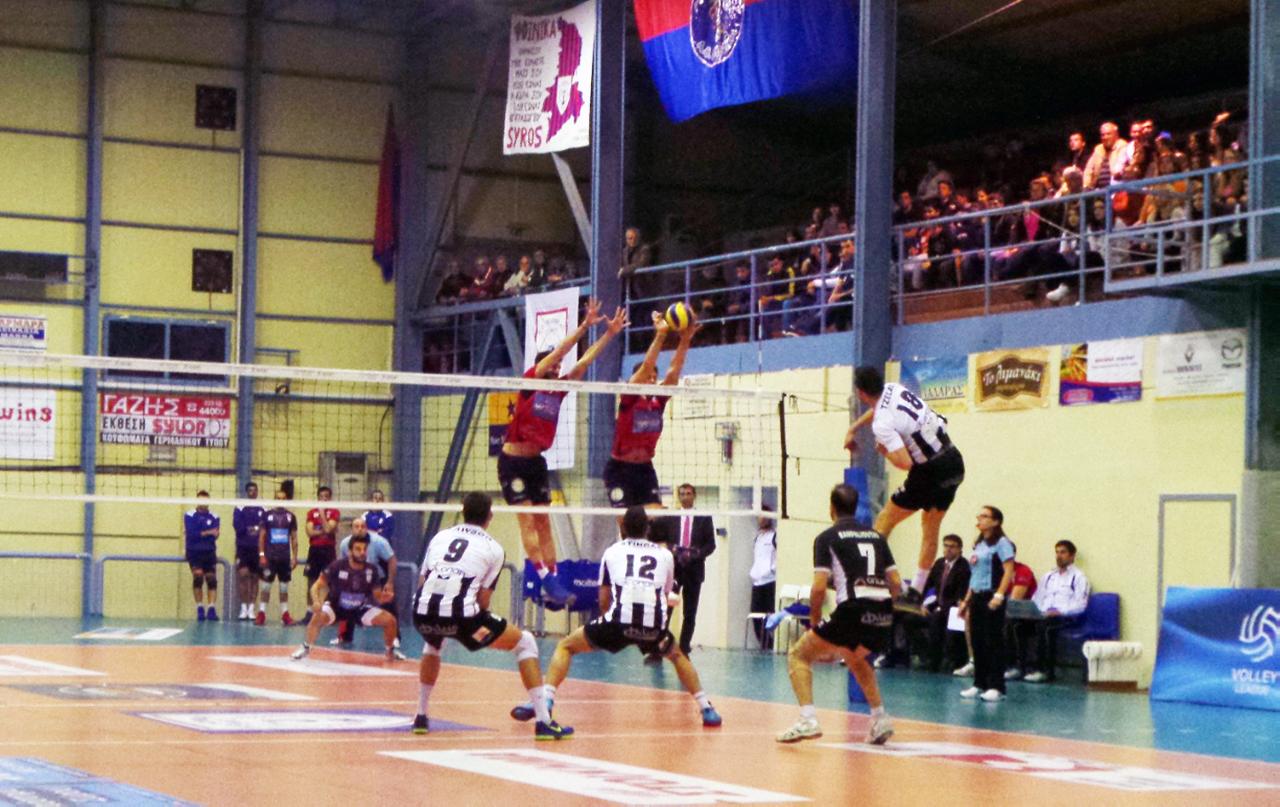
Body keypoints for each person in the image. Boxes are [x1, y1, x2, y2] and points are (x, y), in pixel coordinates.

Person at [512, 506, 723, 729]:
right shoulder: (665, 555)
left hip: (618, 622)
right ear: (648, 528)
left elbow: (604, 599)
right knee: (678, 655)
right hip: (653, 626)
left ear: (623, 527)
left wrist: (609, 632)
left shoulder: (612, 552)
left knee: (566, 646)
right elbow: (666, 593)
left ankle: (545, 700)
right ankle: (706, 708)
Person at [499, 298, 627, 607]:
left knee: (544, 521)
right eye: (553, 365)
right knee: (527, 520)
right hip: (513, 461)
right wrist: (583, 327)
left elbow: (584, 363)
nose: (557, 368)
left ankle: (554, 579)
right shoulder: (530, 383)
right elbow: (559, 352)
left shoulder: (558, 389)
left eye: (558, 367)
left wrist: (609, 335)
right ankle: (545, 577)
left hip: (536, 462)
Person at [413, 492, 571, 739]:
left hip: (422, 615)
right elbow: (483, 601)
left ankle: (420, 716)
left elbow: (423, 581)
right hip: (463, 620)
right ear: (490, 516)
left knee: (433, 643)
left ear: (463, 511)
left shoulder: (440, 537)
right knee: (526, 642)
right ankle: (544, 722)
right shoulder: (493, 548)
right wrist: (472, 628)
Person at [777, 484, 899, 745]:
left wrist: (814, 624)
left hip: (852, 610)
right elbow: (896, 583)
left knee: (799, 654)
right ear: (856, 507)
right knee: (854, 656)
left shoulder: (827, 537)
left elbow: (819, 587)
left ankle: (808, 719)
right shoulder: (877, 537)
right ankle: (880, 718)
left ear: (831, 507)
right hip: (883, 612)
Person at [845, 366, 965, 600]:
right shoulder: (894, 388)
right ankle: (916, 592)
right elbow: (879, 410)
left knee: (885, 520)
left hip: (928, 470)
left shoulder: (882, 424)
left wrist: (884, 452)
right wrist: (854, 428)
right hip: (953, 460)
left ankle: (869, 577)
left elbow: (906, 463)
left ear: (860, 393)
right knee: (930, 528)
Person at [603, 311, 698, 511]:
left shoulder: (658, 401)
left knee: (656, 518)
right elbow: (647, 366)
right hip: (620, 470)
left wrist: (685, 340)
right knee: (627, 522)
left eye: (655, 377)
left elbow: (673, 373)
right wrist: (661, 335)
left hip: (645, 469)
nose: (652, 379)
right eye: (648, 377)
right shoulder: (629, 398)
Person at [292, 530, 398, 661]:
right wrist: (316, 602)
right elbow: (316, 586)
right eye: (358, 549)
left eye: (364, 549)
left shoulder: (372, 570)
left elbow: (377, 596)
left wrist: (384, 598)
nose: (362, 552)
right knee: (317, 618)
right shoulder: (337, 566)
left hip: (359, 609)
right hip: (336, 607)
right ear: (350, 552)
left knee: (390, 620)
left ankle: (390, 651)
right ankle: (306, 647)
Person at [958, 505, 1015, 702]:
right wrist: (966, 601)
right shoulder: (979, 544)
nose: (979, 519)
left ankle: (997, 687)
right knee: (977, 641)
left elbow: (1009, 571)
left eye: (984, 516)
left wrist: (999, 595)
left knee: (993, 642)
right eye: (979, 515)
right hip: (977, 596)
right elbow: (975, 575)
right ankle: (979, 683)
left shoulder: (1002, 543)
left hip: (992, 597)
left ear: (996, 521)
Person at [335, 517, 406, 659]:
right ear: (352, 529)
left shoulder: (379, 542)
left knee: (389, 604)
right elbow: (342, 563)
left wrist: (389, 582)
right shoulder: (345, 544)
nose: (359, 529)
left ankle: (395, 638)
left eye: (362, 526)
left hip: (378, 577)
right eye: (356, 526)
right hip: (357, 579)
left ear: (366, 528)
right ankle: (345, 636)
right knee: (347, 604)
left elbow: (392, 560)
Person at [1023, 540, 1090, 683]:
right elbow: (1037, 598)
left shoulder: (1078, 577)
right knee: (1017, 625)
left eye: (1063, 552)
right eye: (1057, 552)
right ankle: (1017, 668)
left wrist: (1059, 611)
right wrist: (1034, 611)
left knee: (1045, 627)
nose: (1059, 556)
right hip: (1044, 615)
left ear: (1072, 556)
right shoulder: (1048, 576)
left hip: (1067, 617)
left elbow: (1081, 604)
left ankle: (1045, 671)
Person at [671, 483, 715, 657]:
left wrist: (696, 554)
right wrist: (673, 551)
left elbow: (711, 545)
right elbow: (665, 539)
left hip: (694, 570)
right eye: (682, 494)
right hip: (674, 569)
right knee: (667, 608)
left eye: (688, 493)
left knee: (690, 612)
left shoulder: (704, 518)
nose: (685, 497)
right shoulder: (672, 517)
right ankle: (659, 646)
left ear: (694, 495)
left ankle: (684, 647)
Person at [916, 533, 970, 673]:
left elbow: (960, 594)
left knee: (936, 619)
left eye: (952, 547)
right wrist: (921, 603)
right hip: (937, 604)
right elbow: (927, 584)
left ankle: (935, 661)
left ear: (960, 549)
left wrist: (940, 608)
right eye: (945, 546)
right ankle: (923, 654)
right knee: (908, 619)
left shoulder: (963, 567)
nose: (948, 549)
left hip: (953, 607)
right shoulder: (939, 563)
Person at [256, 487, 298, 626]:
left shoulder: (291, 517)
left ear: (286, 500)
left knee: (284, 588)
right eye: (278, 498)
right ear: (274, 500)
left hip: (284, 558)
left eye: (283, 499)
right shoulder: (267, 515)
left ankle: (285, 614)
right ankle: (261, 613)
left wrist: (294, 557)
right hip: (270, 557)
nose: (280, 501)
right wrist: (262, 555)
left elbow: (294, 538)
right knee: (266, 587)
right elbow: (262, 537)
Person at [301, 486, 340, 627]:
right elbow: (310, 532)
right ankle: (309, 613)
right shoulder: (311, 512)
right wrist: (324, 530)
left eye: (326, 496)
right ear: (318, 497)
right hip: (314, 550)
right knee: (311, 581)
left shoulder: (334, 512)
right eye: (321, 496)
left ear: (330, 498)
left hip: (328, 550)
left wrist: (322, 513)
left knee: (331, 582)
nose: (324, 498)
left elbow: (329, 529)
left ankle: (329, 614)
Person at [184, 491, 221, 622]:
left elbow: (215, 535)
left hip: (209, 551)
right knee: (198, 577)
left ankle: (211, 608)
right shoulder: (189, 515)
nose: (203, 503)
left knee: (211, 579)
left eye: (205, 500)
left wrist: (203, 533)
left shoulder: (215, 516)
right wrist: (207, 532)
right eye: (201, 500)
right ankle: (200, 608)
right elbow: (191, 534)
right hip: (194, 551)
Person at [232, 482, 266, 621]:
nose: (253, 492)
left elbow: (264, 527)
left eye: (255, 490)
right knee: (243, 576)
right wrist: (253, 528)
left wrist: (254, 529)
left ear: (257, 492)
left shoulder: (263, 507)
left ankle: (252, 608)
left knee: (254, 578)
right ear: (247, 492)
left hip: (257, 548)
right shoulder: (240, 507)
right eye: (250, 490)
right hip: (243, 548)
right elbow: (238, 527)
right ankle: (243, 607)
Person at [748, 506, 778, 650]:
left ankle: (770, 646)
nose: (761, 519)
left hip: (769, 582)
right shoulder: (757, 537)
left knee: (769, 617)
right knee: (756, 617)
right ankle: (764, 645)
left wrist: (772, 570)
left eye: (764, 515)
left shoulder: (774, 536)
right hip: (757, 582)